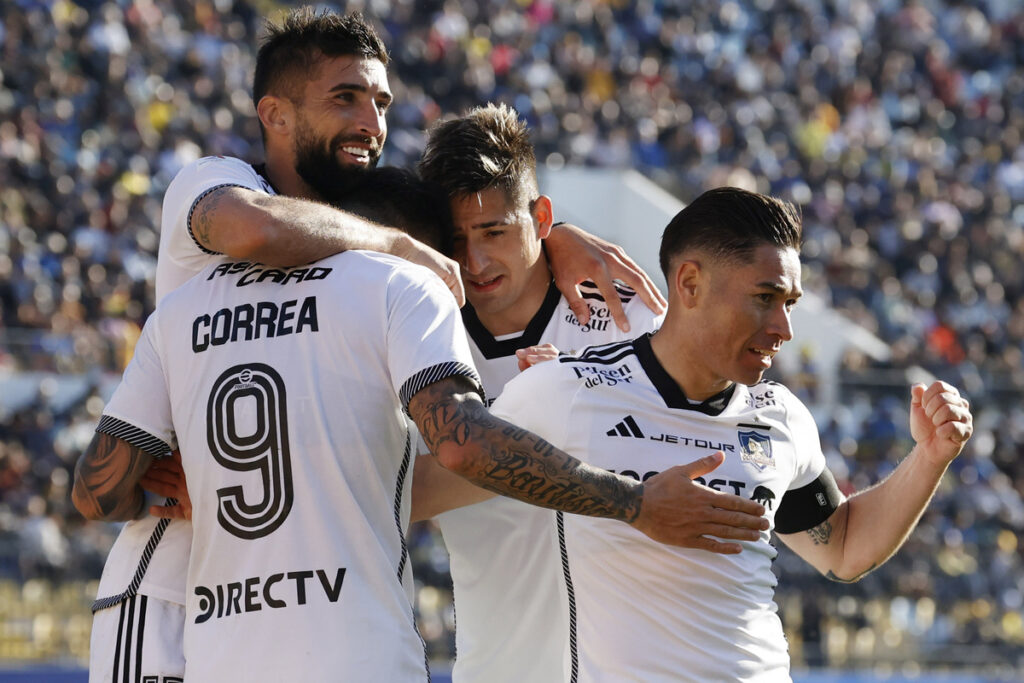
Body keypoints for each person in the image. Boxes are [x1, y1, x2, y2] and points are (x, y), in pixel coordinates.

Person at [84, 8, 664, 681]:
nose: (371, 121)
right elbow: (254, 228)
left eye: (381, 101)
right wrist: (400, 249)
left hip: (313, 629)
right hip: (173, 591)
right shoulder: (217, 183)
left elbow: (380, 472)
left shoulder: (379, 283)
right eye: (346, 98)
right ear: (273, 113)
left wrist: (551, 240)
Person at [69, 196, 753, 679]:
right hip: (339, 641)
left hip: (219, 640)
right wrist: (631, 500)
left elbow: (95, 494)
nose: (469, 264)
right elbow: (459, 446)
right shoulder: (398, 286)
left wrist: (557, 238)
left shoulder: (184, 308)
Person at [475, 186, 973, 681]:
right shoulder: (565, 389)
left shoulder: (781, 415)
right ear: (689, 284)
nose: (784, 328)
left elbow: (841, 548)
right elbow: (443, 470)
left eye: (790, 304)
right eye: (765, 298)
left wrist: (929, 457)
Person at [411, 103, 769, 682]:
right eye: (457, 239)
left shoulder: (630, 313)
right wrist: (522, 424)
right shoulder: (422, 336)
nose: (475, 261)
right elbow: (401, 495)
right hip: (501, 669)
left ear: (542, 216)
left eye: (495, 232)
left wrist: (573, 414)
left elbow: (697, 452)